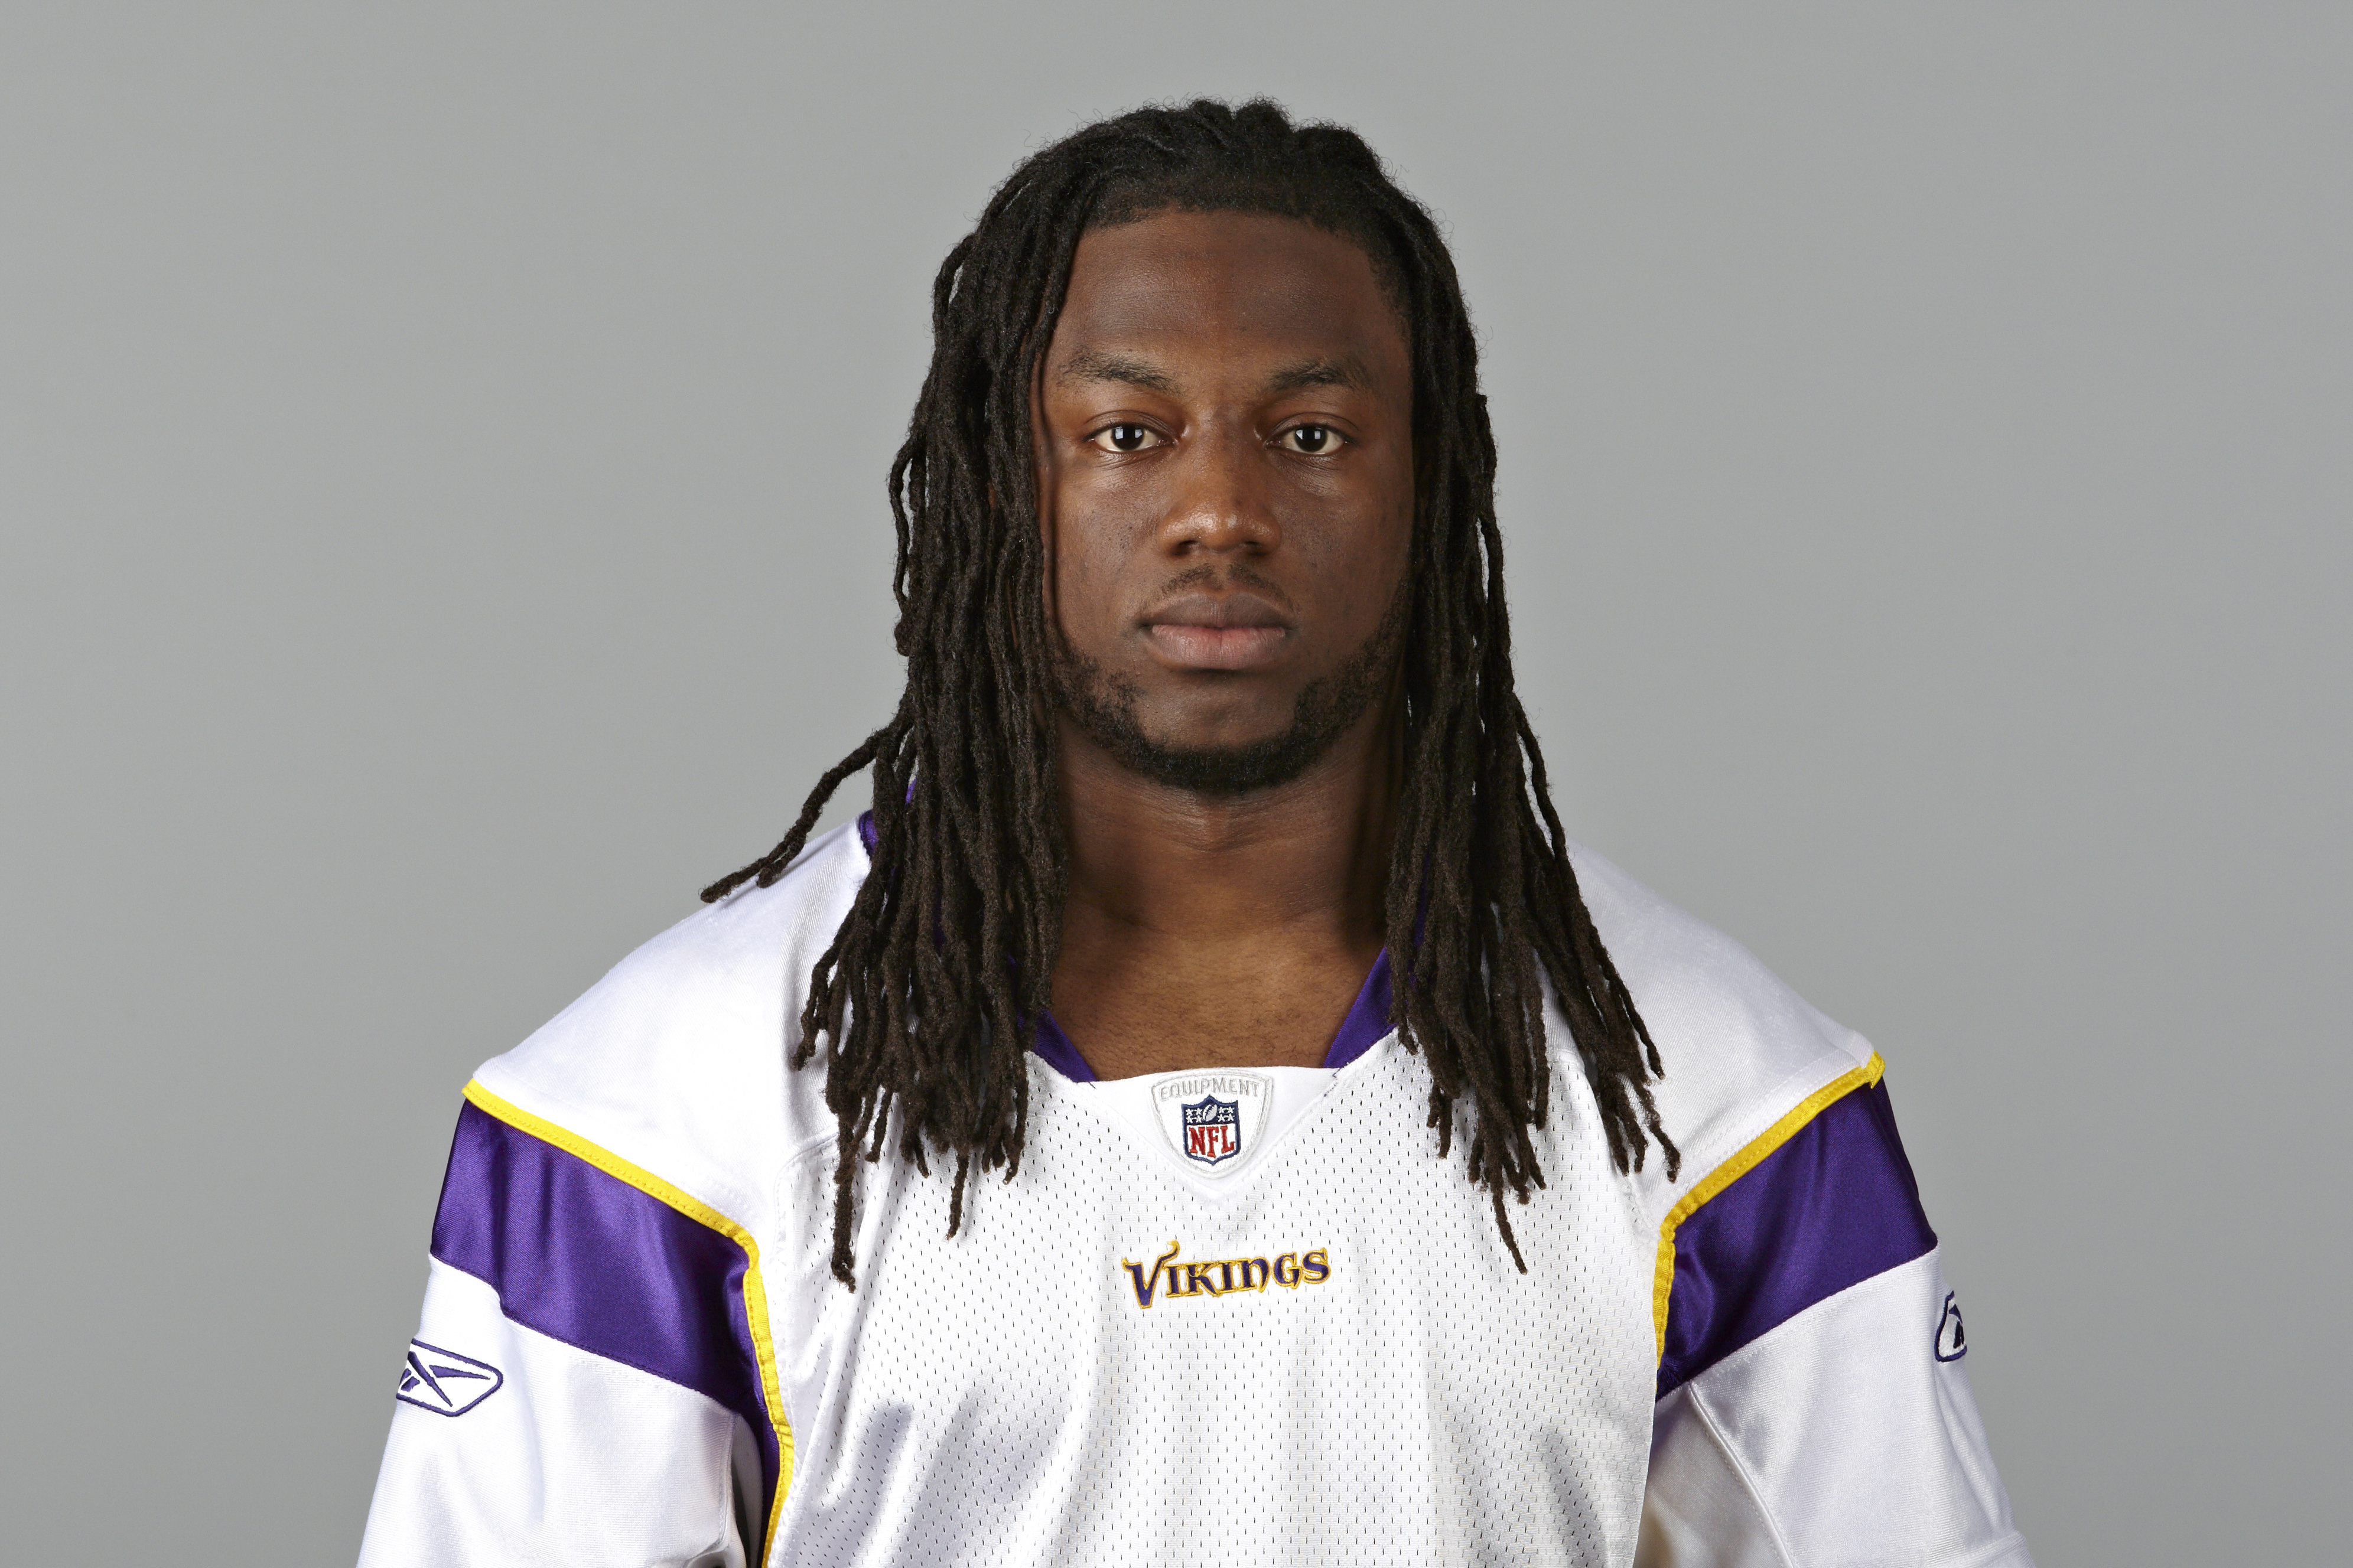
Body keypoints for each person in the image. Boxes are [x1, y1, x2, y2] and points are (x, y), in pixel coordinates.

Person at [358, 99, 2030, 1567]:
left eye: (1310, 436)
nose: (1221, 511)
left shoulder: (1721, 1092)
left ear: (1431, 487)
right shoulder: (652, 1113)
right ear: (998, 486)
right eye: (1128, 435)